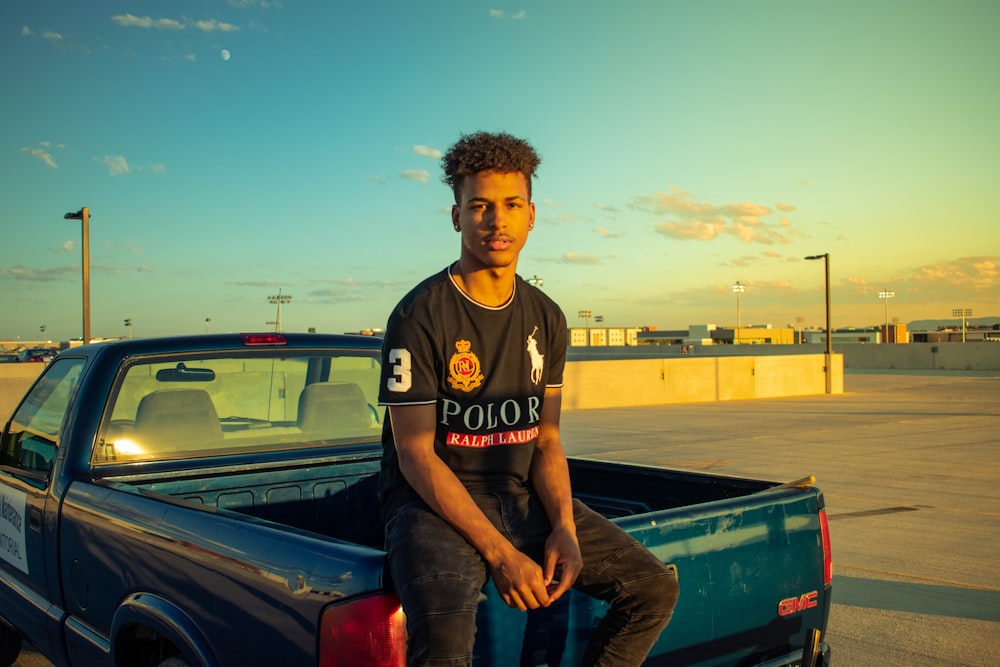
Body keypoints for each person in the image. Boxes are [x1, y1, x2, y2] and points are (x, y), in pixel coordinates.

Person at [378, 131, 679, 666]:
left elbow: (546, 440)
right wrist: (501, 554)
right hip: (431, 507)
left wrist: (563, 526)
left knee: (653, 591)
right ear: (457, 217)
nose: (498, 221)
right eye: (481, 206)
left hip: (518, 497)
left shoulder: (546, 316)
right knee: (444, 647)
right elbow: (416, 456)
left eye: (512, 205)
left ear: (532, 215)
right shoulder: (419, 315)